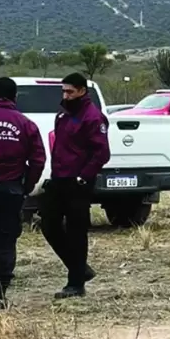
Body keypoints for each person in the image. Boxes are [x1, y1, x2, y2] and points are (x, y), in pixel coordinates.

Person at [40, 73, 110, 300]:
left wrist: (83, 177)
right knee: (49, 225)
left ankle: (76, 282)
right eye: (64, 91)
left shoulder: (92, 117)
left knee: (76, 231)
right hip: (59, 178)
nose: (65, 95)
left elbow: (102, 153)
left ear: (82, 90)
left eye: (70, 91)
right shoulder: (63, 113)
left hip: (78, 182)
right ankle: (80, 268)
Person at [0, 77, 45, 309]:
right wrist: (26, 186)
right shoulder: (25, 124)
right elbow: (38, 160)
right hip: (10, 190)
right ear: (14, 97)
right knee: (5, 240)